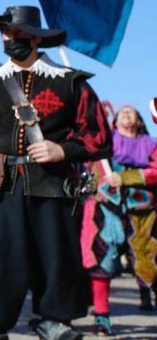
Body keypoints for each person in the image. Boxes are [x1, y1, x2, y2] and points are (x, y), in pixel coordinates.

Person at [0, 6, 111, 340]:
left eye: (17, 34)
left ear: (37, 39)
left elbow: (98, 137)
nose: (10, 40)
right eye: (6, 34)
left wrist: (62, 150)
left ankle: (56, 322)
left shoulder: (70, 82)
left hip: (53, 186)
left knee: (55, 259)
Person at [80, 104, 157, 336]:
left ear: (139, 120)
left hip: (142, 210)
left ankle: (147, 296)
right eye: (122, 110)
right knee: (102, 260)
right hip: (106, 208)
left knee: (149, 261)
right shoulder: (104, 141)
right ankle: (102, 316)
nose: (125, 112)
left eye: (131, 111)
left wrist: (126, 177)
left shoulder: (151, 144)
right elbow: (88, 164)